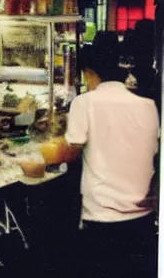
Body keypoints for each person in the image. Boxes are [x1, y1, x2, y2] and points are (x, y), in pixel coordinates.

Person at [64, 32, 158, 278]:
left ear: (89, 72)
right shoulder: (149, 106)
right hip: (143, 219)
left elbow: (70, 149)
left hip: (102, 219)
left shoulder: (85, 103)